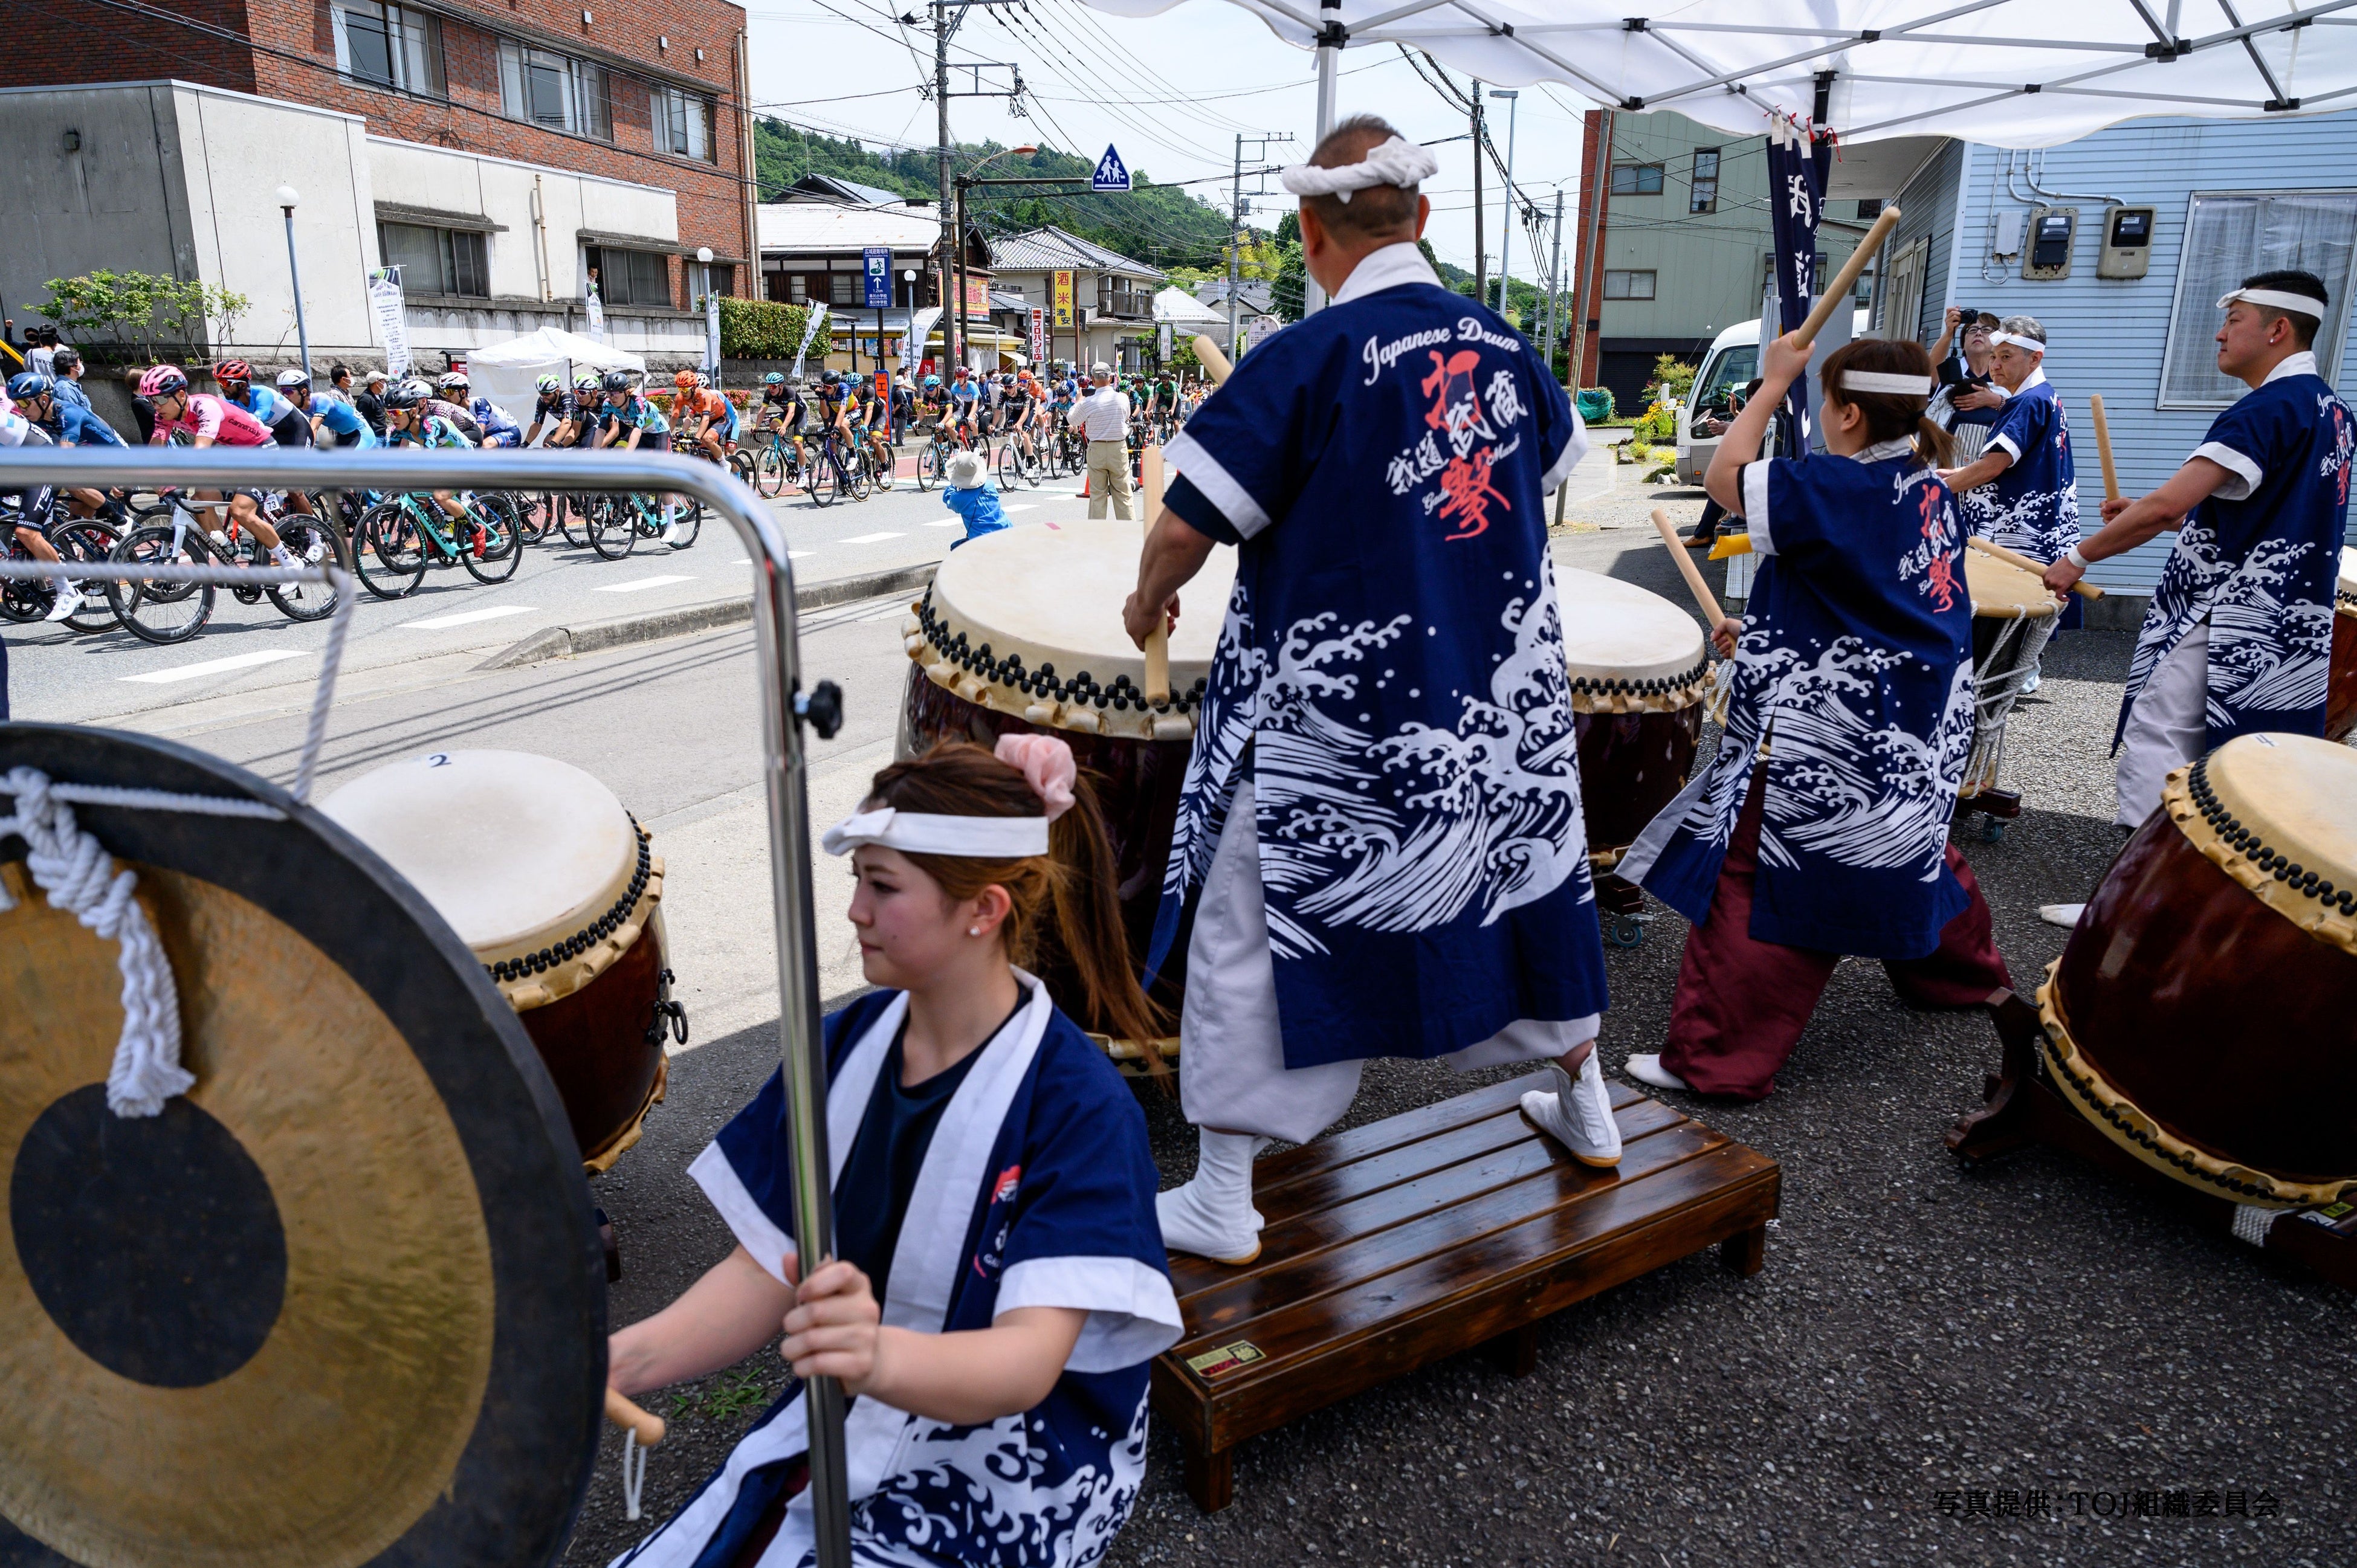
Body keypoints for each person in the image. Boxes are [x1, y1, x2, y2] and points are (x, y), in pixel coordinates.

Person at [1120, 117, 1612, 1264]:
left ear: (1310, 231)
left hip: (1330, 721)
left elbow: (1185, 530)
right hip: (1495, 711)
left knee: (1257, 922)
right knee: (1530, 886)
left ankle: (1226, 1196)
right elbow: (1554, 479)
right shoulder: (1509, 351)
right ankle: (1588, 1107)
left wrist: (1147, 603)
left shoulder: (1302, 359)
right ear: (1422, 220)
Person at [605, 737, 1178, 1568]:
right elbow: (769, 1268)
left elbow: (1027, 1360)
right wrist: (618, 1359)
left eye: (883, 886)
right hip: (862, 1402)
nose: (854, 912)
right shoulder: (844, 1046)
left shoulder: (1080, 1106)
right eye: (857, 881)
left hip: (1023, 1456)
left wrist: (874, 1353)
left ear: (982, 909)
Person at [1614, 334, 2010, 1101]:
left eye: (1826, 402)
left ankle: (1716, 1060)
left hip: (1828, 730)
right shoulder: (1924, 484)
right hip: (1916, 719)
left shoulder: (1832, 485)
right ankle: (1965, 979)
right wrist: (1761, 634)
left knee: (1769, 870)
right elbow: (1865, 601)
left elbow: (1723, 476)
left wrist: (1771, 385)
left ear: (1849, 413)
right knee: (1907, 844)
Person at [2043, 268, 2355, 835]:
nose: (2219, 335)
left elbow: (2167, 504)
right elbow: (2261, 518)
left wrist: (2078, 558)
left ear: (2278, 329)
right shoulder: (2330, 411)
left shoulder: (2266, 409)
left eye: (2233, 321)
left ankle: (2136, 903)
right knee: (2251, 760)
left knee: (2161, 734)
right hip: (2291, 622)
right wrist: (2164, 518)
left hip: (2229, 616)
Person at [1939, 314, 2081, 630]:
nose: (1996, 365)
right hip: (2041, 523)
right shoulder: (2045, 397)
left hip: (2019, 530)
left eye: (2006, 356)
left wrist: (1937, 490)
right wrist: (1957, 473)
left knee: (2008, 629)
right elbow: (2009, 465)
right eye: (1993, 356)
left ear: (2035, 358)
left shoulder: (2028, 403)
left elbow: (1993, 466)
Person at [141, 364, 305, 565]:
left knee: (240, 511)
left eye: (159, 399)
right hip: (235, 457)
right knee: (201, 499)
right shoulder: (164, 416)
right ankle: (229, 552)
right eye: (151, 401)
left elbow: (200, 453)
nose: (156, 406)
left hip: (262, 451)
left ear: (181, 395)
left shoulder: (205, 407)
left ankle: (292, 563)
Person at [1926, 308, 2005, 465]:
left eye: (1986, 330)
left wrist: (1995, 401)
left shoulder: (2005, 377)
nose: (1978, 333)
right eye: (1972, 330)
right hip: (1947, 461)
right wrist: (1949, 332)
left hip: (1989, 465)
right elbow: (1929, 372)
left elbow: (2024, 410)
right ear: (1962, 345)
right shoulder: (1950, 374)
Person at [1069, 363, 1133, 521]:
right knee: (1123, 494)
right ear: (1111, 378)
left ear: (1092, 380)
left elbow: (1072, 419)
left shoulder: (1088, 402)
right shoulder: (1122, 398)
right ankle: (1130, 535)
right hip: (1118, 447)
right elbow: (1126, 416)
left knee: (1097, 495)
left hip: (1097, 448)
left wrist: (1078, 400)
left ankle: (1097, 536)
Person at [286, 370, 375, 449]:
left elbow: (314, 427)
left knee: (352, 464)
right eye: (282, 392)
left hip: (361, 433)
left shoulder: (321, 400)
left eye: (288, 391)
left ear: (304, 392)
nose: (285, 396)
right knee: (334, 465)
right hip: (344, 435)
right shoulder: (298, 407)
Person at [941, 448, 1009, 545]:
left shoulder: (959, 499)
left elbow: (947, 498)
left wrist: (954, 483)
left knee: (955, 547)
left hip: (982, 542)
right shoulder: (990, 486)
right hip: (1007, 532)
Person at [439, 371, 519, 448]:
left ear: (463, 393)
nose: (446, 396)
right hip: (490, 436)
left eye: (449, 392)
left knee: (484, 446)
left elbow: (480, 432)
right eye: (443, 392)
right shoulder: (453, 411)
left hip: (510, 432)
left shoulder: (479, 403)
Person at [354, 370, 389, 437]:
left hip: (382, 434)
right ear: (377, 383)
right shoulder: (366, 399)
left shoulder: (378, 396)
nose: (385, 384)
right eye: (383, 382)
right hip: (374, 436)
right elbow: (362, 420)